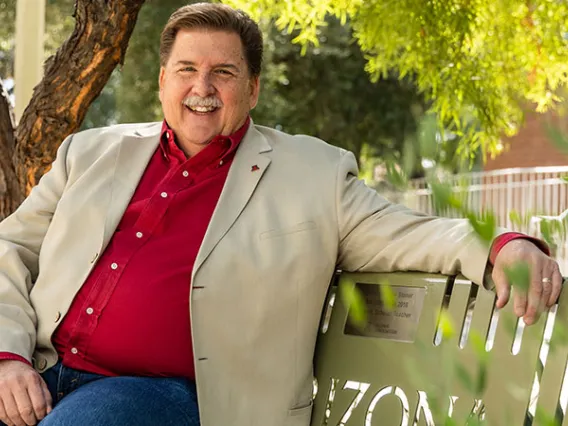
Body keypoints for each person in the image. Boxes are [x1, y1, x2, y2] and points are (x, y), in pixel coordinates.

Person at [0, 3, 562, 426]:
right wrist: (8, 359)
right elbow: (12, 250)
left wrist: (503, 245)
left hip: (161, 393)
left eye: (223, 72)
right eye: (186, 69)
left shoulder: (311, 174)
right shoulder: (91, 152)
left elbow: (410, 233)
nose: (202, 87)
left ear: (254, 87)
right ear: (162, 81)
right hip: (39, 368)